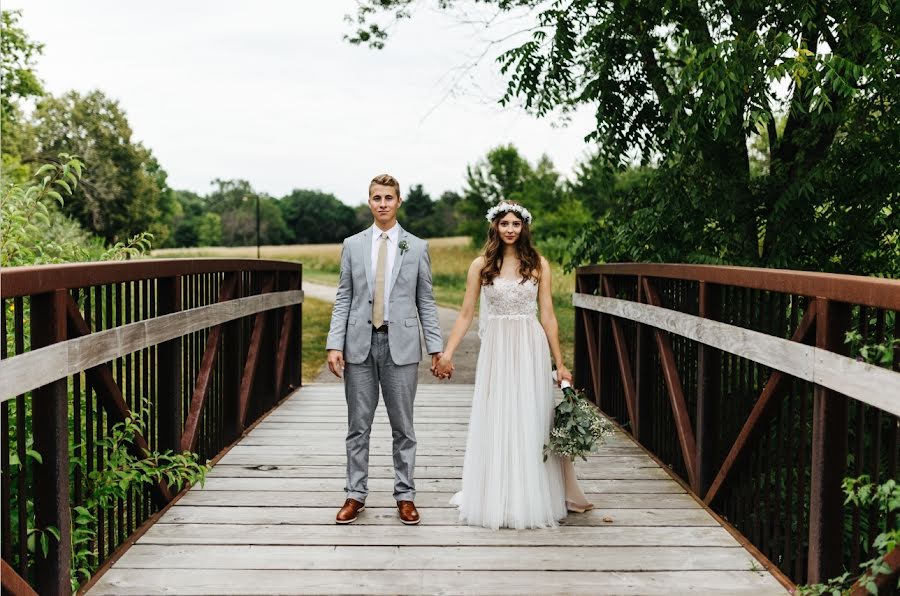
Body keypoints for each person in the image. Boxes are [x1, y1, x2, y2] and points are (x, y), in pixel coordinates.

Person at [434, 201, 592, 529]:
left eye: (515, 224)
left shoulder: (537, 264)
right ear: (495, 226)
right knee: (498, 415)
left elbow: (547, 314)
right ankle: (497, 494)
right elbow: (466, 314)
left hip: (529, 345)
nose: (510, 229)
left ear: (523, 228)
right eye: (504, 223)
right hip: (497, 348)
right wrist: (447, 353)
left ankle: (531, 496)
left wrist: (559, 363)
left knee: (530, 416)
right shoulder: (481, 265)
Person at [325, 174, 444, 525]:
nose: (382, 204)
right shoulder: (353, 244)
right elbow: (344, 296)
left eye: (388, 198)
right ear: (369, 202)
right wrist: (335, 343)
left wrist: (436, 347)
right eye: (377, 198)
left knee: (403, 427)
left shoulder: (416, 247)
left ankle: (405, 495)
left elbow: (426, 300)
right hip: (359, 345)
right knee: (357, 426)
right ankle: (354, 494)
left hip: (402, 346)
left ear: (398, 202)